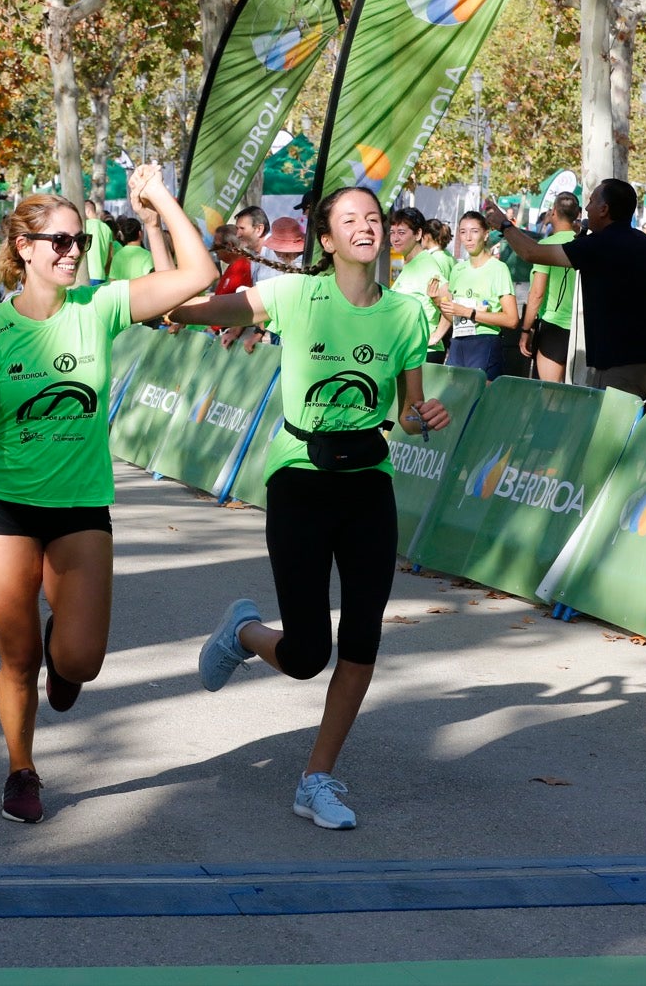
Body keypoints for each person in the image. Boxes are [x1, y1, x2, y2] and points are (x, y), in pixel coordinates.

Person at [0, 166, 221, 824]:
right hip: (5, 507)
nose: (73, 252)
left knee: (80, 663)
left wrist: (160, 202)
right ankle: (21, 769)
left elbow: (198, 276)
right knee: (19, 657)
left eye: (81, 241)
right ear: (24, 249)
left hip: (80, 508)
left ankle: (61, 649)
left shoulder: (99, 307)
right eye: (60, 241)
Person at [171, 186, 448, 831]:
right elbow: (219, 307)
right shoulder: (296, 296)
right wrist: (156, 305)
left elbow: (408, 412)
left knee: (362, 637)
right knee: (304, 655)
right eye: (350, 219)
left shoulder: (407, 314)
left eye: (374, 218)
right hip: (299, 478)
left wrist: (423, 415)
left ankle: (315, 778)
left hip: (368, 482)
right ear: (326, 240)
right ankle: (242, 631)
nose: (366, 227)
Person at [484, 180, 646, 403]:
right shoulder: (645, 243)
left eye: (591, 202)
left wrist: (505, 225)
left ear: (604, 209)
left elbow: (531, 252)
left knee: (610, 436)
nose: (586, 209)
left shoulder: (600, 245)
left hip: (620, 366)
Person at [441, 212, 518, 380]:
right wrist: (437, 301)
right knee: (453, 402)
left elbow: (512, 319)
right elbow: (453, 317)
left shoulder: (498, 269)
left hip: (485, 343)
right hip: (458, 342)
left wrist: (471, 312)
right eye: (463, 232)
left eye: (474, 231)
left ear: (485, 235)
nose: (468, 237)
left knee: (478, 402)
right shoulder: (457, 270)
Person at [519, 191, 580, 382]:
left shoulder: (546, 246)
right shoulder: (583, 243)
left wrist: (525, 330)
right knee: (573, 395)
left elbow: (537, 294)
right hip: (580, 329)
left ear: (553, 211)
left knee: (550, 396)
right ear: (577, 213)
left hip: (554, 327)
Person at [388, 207, 450, 363]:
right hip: (406, 350)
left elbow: (450, 305)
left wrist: (436, 336)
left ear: (418, 234)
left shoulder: (426, 265)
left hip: (423, 354)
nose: (395, 238)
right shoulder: (410, 263)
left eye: (401, 233)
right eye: (392, 232)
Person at [105, 217, 154, 282]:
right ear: (140, 233)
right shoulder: (148, 256)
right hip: (140, 291)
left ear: (124, 235)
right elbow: (150, 280)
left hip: (122, 292)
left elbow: (112, 281)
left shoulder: (117, 255)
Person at [82, 198, 114, 285]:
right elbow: (110, 255)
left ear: (87, 211)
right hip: (101, 275)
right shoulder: (107, 228)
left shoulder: (84, 226)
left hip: (86, 275)